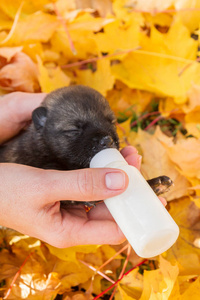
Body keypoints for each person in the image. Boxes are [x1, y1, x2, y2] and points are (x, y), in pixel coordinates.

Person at [0, 92, 162, 248]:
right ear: (41, 122)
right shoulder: (26, 156)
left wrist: (134, 187)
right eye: (73, 131)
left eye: (110, 122)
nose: (106, 138)